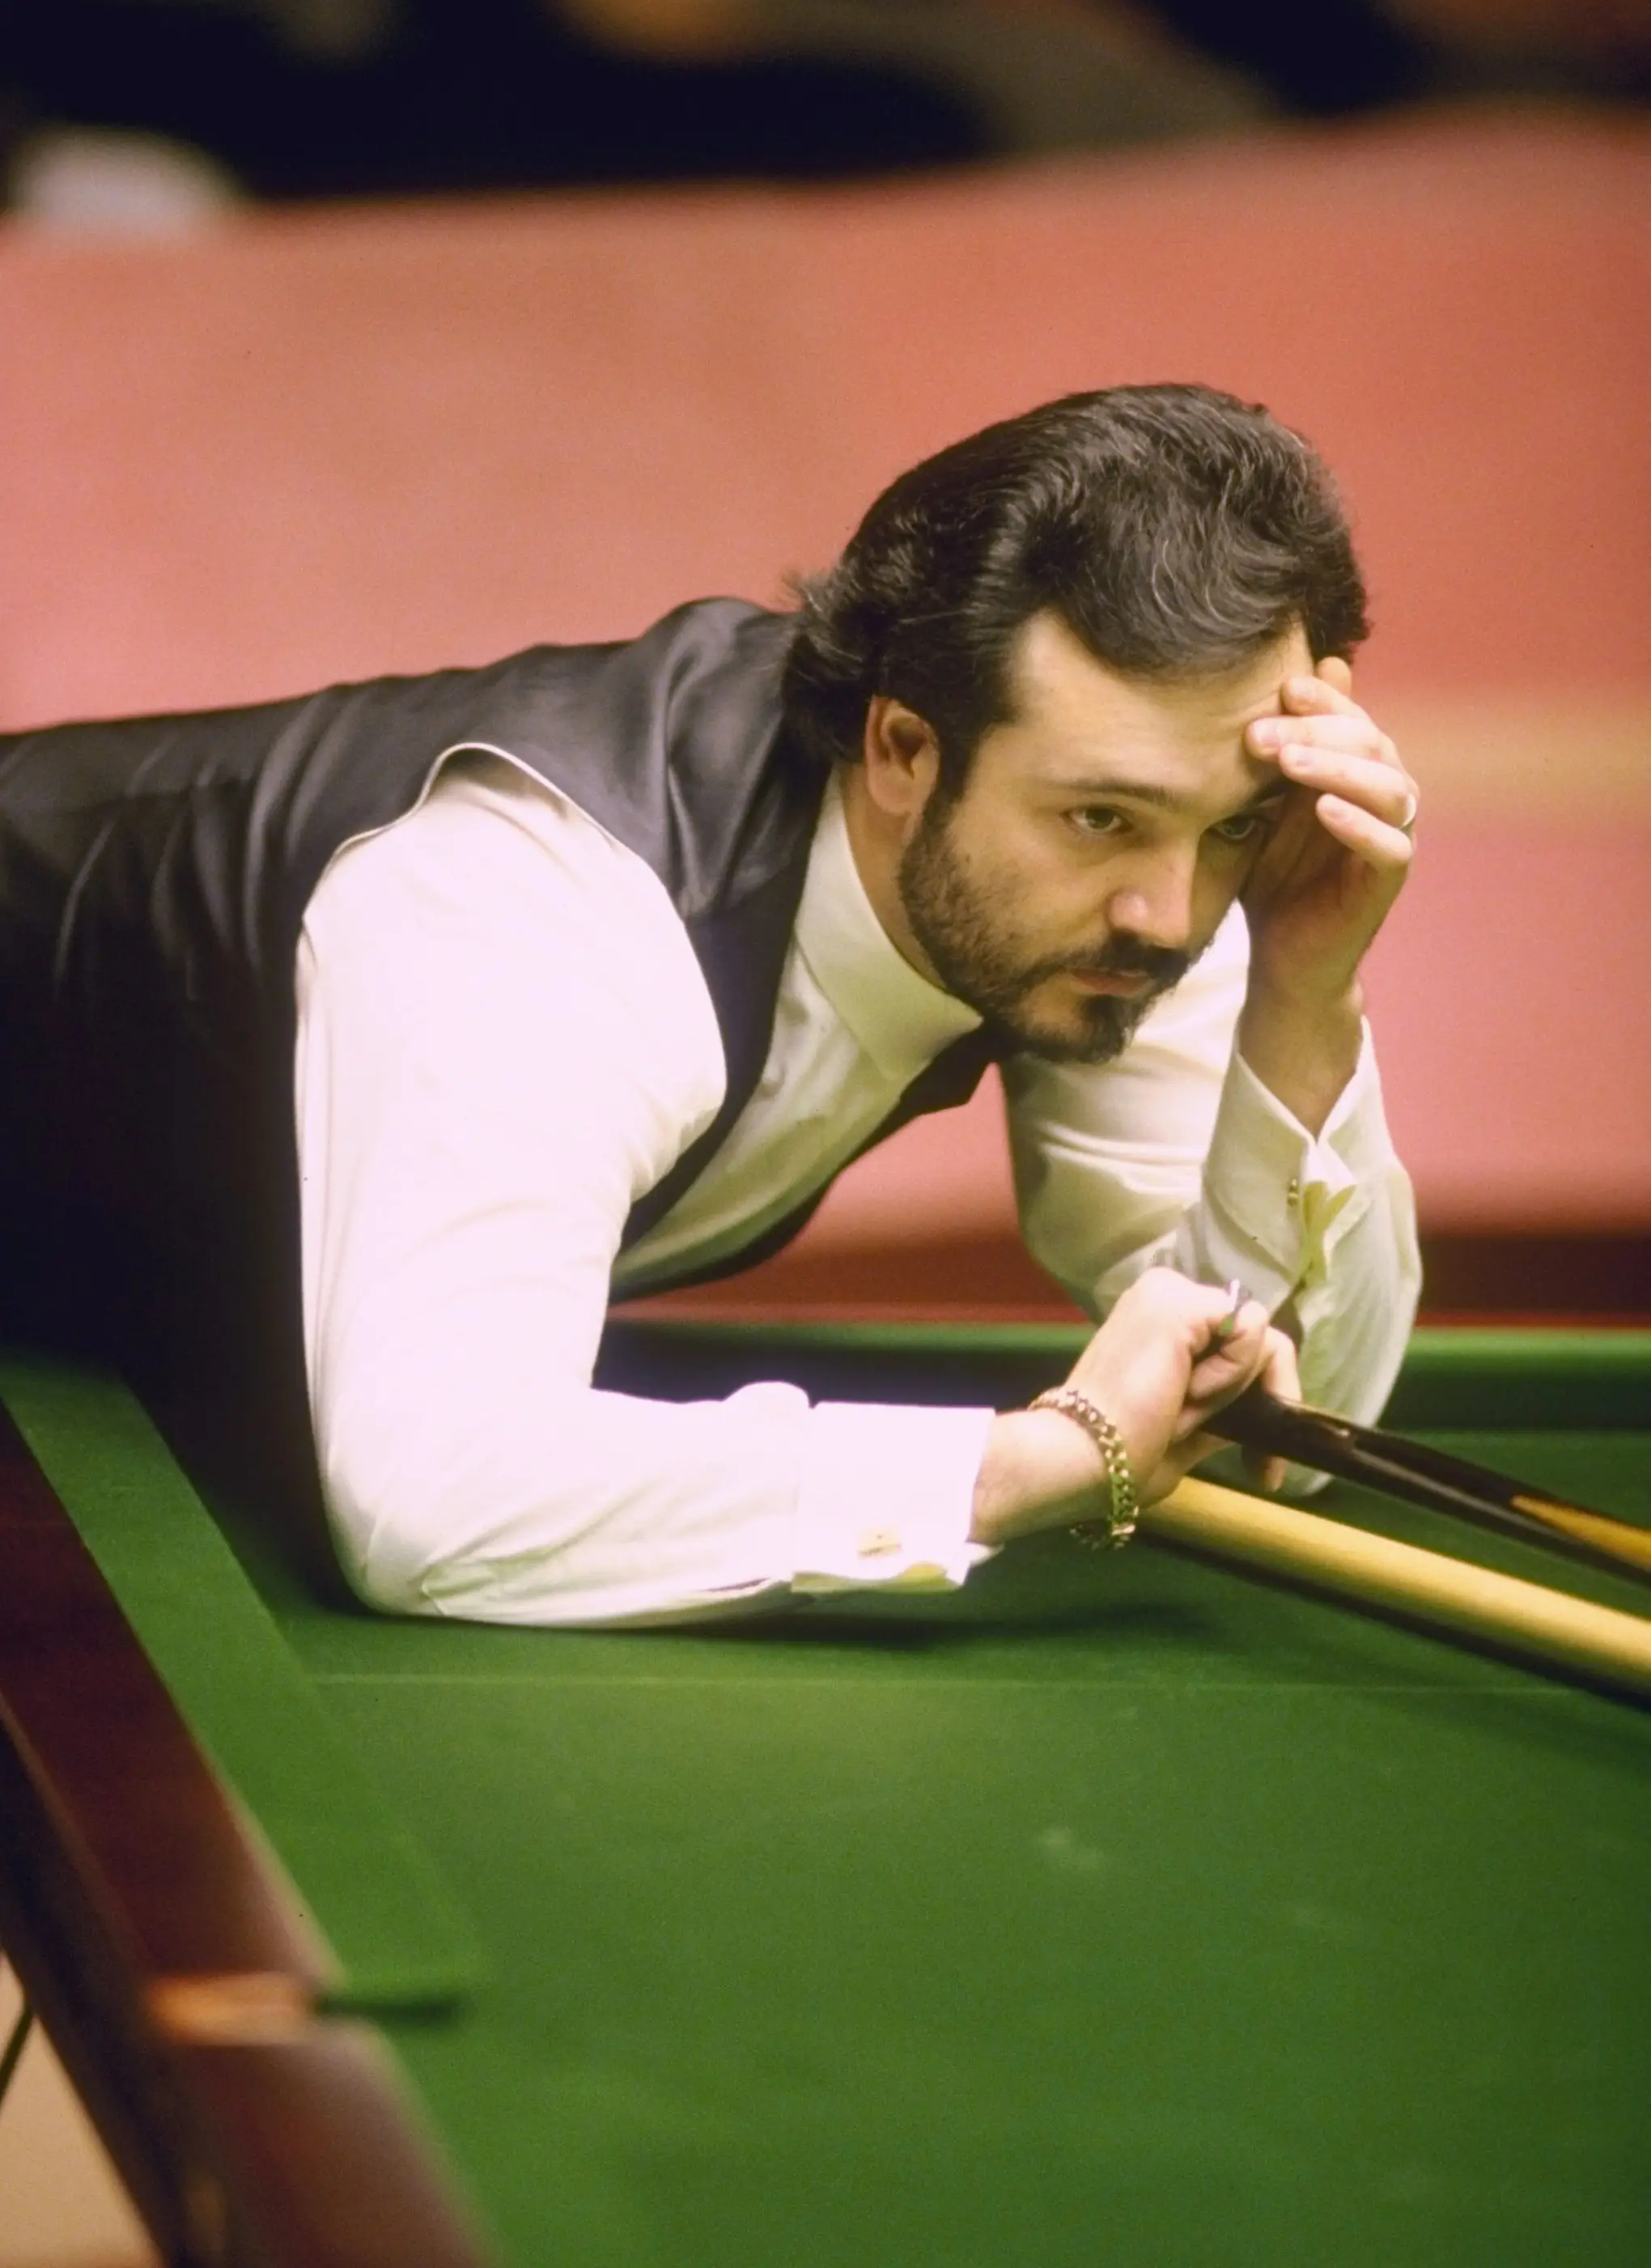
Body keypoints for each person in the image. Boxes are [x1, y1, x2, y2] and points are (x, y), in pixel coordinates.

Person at [0, 384, 1420, 1623]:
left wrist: (1305, 994)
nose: (1171, 914)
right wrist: (1016, 1468)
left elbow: (1286, 1418)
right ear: (902, 749)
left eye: (1232, 828)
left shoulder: (1127, 891)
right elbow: (433, 1500)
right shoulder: (539, 903)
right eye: (1101, 817)